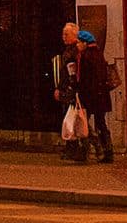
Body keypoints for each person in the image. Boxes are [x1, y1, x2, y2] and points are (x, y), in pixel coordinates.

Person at [76, 30, 113, 164]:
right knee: (101, 123)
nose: (77, 45)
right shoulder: (99, 54)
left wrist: (80, 94)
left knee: (83, 122)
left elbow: (84, 79)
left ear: (85, 43)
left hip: (89, 95)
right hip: (101, 94)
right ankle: (108, 151)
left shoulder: (84, 56)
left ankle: (88, 150)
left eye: (79, 42)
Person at [55, 21, 84, 163]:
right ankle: (72, 148)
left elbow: (70, 74)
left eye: (66, 34)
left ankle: (76, 149)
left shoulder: (72, 52)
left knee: (72, 119)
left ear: (74, 35)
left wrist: (65, 89)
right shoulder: (72, 50)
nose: (63, 37)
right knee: (71, 119)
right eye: (63, 34)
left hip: (71, 90)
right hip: (70, 89)